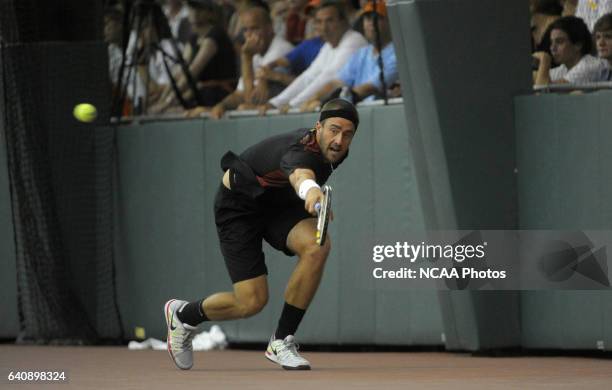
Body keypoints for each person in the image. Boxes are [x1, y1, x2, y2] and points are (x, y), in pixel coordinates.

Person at [164, 98, 358, 371]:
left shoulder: (336, 151)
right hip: (239, 207)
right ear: (318, 128)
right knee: (251, 302)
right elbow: (300, 175)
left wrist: (314, 201)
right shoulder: (298, 150)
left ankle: (281, 341)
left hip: (276, 205)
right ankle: (183, 314)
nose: (339, 140)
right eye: (334, 130)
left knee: (318, 246)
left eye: (347, 134)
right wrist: (312, 193)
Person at [185, 5, 293, 118]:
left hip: (281, 117)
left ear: (270, 28)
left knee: (243, 108)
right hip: (266, 117)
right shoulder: (256, 53)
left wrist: (246, 57)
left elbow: (250, 99)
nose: (249, 34)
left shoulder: (281, 49)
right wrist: (219, 106)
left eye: (255, 28)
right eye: (245, 30)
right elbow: (239, 93)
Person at [260, 0, 367, 113]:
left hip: (358, 106)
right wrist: (275, 103)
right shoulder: (328, 46)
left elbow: (328, 76)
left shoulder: (354, 40)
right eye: (319, 22)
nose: (324, 27)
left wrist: (293, 104)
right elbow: (308, 76)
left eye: (329, 21)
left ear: (343, 22)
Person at [300, 0, 397, 111]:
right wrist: (312, 98)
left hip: (382, 112)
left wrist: (325, 102)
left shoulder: (398, 52)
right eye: (367, 18)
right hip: (359, 113)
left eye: (377, 17)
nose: (371, 22)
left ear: (390, 21)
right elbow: (337, 82)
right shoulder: (362, 52)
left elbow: (371, 87)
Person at [151, 0, 238, 113]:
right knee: (160, 108)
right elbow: (182, 70)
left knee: (170, 110)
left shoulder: (215, 35)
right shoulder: (194, 37)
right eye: (192, 9)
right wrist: (162, 99)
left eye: (199, 9)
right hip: (200, 90)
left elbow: (192, 72)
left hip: (217, 92)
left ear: (210, 12)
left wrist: (168, 102)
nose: (195, 13)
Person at [532, 16, 610, 85]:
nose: (552, 48)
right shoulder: (564, 68)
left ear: (578, 45)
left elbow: (544, 94)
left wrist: (544, 61)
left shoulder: (589, 66)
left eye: (559, 42)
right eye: (551, 42)